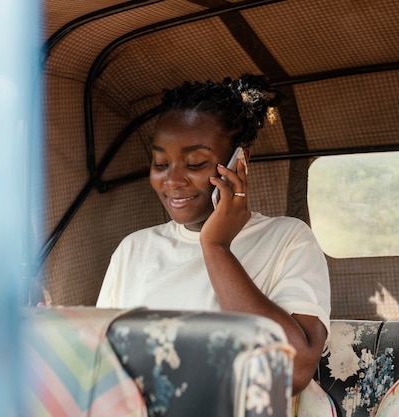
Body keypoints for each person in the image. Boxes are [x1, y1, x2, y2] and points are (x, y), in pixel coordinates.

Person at [96, 74, 331, 395]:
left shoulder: (288, 239)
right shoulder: (134, 249)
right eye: (161, 162)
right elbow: (99, 365)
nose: (173, 180)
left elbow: (294, 370)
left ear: (240, 161)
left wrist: (216, 246)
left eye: (195, 163)